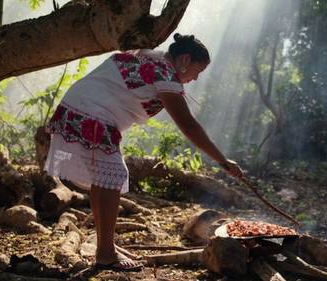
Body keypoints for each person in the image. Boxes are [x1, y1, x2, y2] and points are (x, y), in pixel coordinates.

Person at [44, 33, 245, 271]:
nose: (194, 79)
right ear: (185, 59)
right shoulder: (166, 75)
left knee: (106, 177)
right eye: (196, 72)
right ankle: (106, 254)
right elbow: (189, 126)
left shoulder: (151, 56)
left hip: (80, 105)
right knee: (113, 176)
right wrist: (222, 160)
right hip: (92, 113)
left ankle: (105, 246)